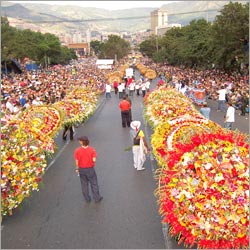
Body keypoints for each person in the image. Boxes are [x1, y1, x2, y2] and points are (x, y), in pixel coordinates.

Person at [74, 136, 103, 203]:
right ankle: (97, 198)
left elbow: (76, 161)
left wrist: (77, 168)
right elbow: (94, 160)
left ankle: (87, 198)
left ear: (82, 142)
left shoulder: (77, 150)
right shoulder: (92, 150)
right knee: (94, 183)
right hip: (90, 169)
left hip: (81, 169)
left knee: (84, 184)